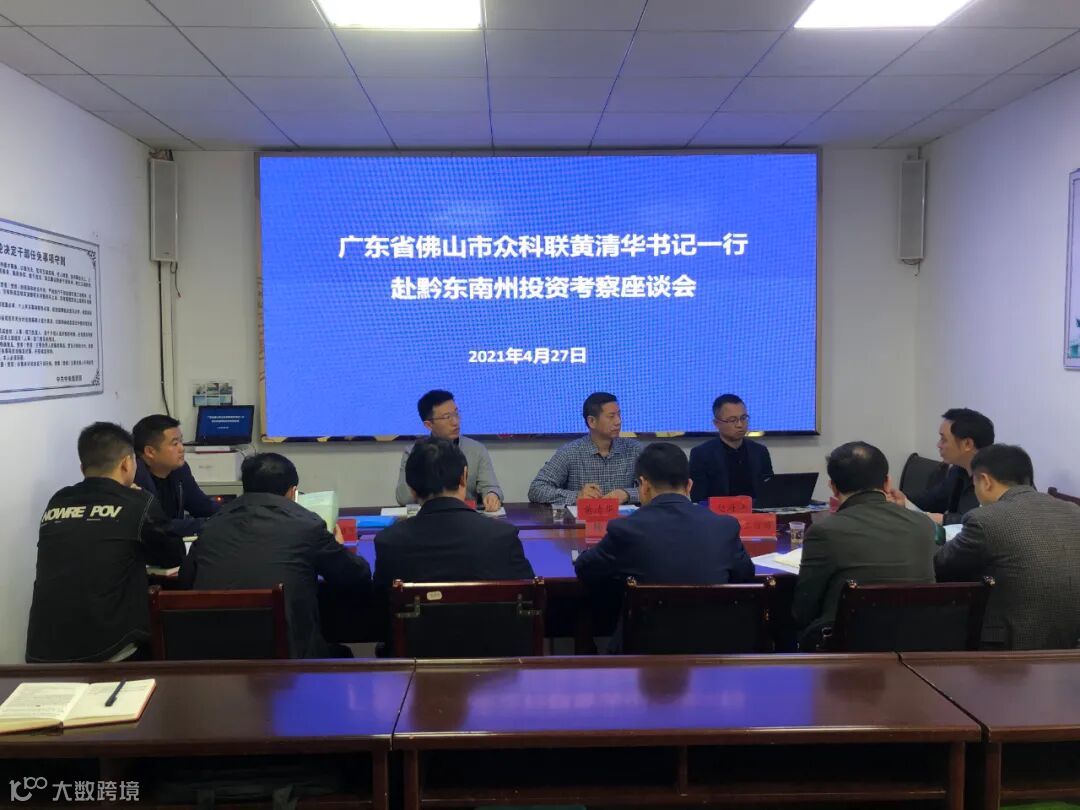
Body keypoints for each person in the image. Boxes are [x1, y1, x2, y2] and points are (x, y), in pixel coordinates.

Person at [179, 452, 371, 658]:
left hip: (213, 658)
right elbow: (355, 575)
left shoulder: (212, 525)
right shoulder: (307, 526)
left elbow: (185, 581)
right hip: (286, 661)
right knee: (342, 655)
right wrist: (339, 546)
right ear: (292, 492)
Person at [26, 422, 185, 663]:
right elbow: (173, 556)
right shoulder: (139, 503)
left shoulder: (58, 501)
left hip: (43, 652)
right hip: (111, 652)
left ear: (83, 468)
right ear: (127, 463)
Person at [793, 441, 937, 650]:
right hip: (917, 643)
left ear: (833, 487)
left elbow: (803, 610)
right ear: (887, 482)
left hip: (846, 648)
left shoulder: (825, 531)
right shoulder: (923, 524)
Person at [934, 444, 1080, 650]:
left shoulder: (985, 518)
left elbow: (941, 564)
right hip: (1072, 642)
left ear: (985, 481)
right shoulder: (1073, 511)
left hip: (1010, 645)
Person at [575, 442, 755, 588]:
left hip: (646, 623)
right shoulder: (724, 527)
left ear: (644, 485)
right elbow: (746, 575)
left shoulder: (626, 529)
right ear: (689, 485)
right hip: (715, 623)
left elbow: (585, 569)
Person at [375, 437, 534, 589]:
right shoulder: (502, 537)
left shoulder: (389, 543)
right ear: (464, 478)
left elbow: (380, 602)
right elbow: (528, 596)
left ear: (411, 488)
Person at [394, 389, 504, 512]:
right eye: (447, 417)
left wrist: (492, 495)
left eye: (456, 414)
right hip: (427, 517)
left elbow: (491, 487)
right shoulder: (413, 452)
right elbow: (403, 498)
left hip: (464, 517)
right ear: (429, 425)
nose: (455, 422)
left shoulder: (476, 449)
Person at [528, 392, 643, 505]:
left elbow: (653, 489)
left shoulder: (634, 449)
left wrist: (627, 494)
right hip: (583, 517)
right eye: (611, 416)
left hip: (622, 518)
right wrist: (578, 496)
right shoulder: (570, 452)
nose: (618, 421)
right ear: (591, 421)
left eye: (619, 415)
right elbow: (536, 489)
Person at [896, 408, 994, 525]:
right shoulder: (958, 470)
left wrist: (941, 519)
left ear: (967, 444)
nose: (938, 445)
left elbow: (982, 522)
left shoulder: (994, 480)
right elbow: (934, 500)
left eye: (944, 439)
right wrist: (903, 499)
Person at [132, 414, 218, 537]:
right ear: (150, 451)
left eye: (181, 441)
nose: (182, 449)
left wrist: (230, 515)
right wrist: (206, 524)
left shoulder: (180, 470)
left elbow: (202, 505)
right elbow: (155, 526)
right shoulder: (133, 477)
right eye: (175, 443)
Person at [689, 394, 774, 501]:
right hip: (717, 511)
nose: (740, 425)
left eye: (743, 418)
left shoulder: (759, 451)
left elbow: (769, 491)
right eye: (733, 420)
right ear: (716, 423)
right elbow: (698, 498)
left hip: (755, 510)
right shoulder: (701, 454)